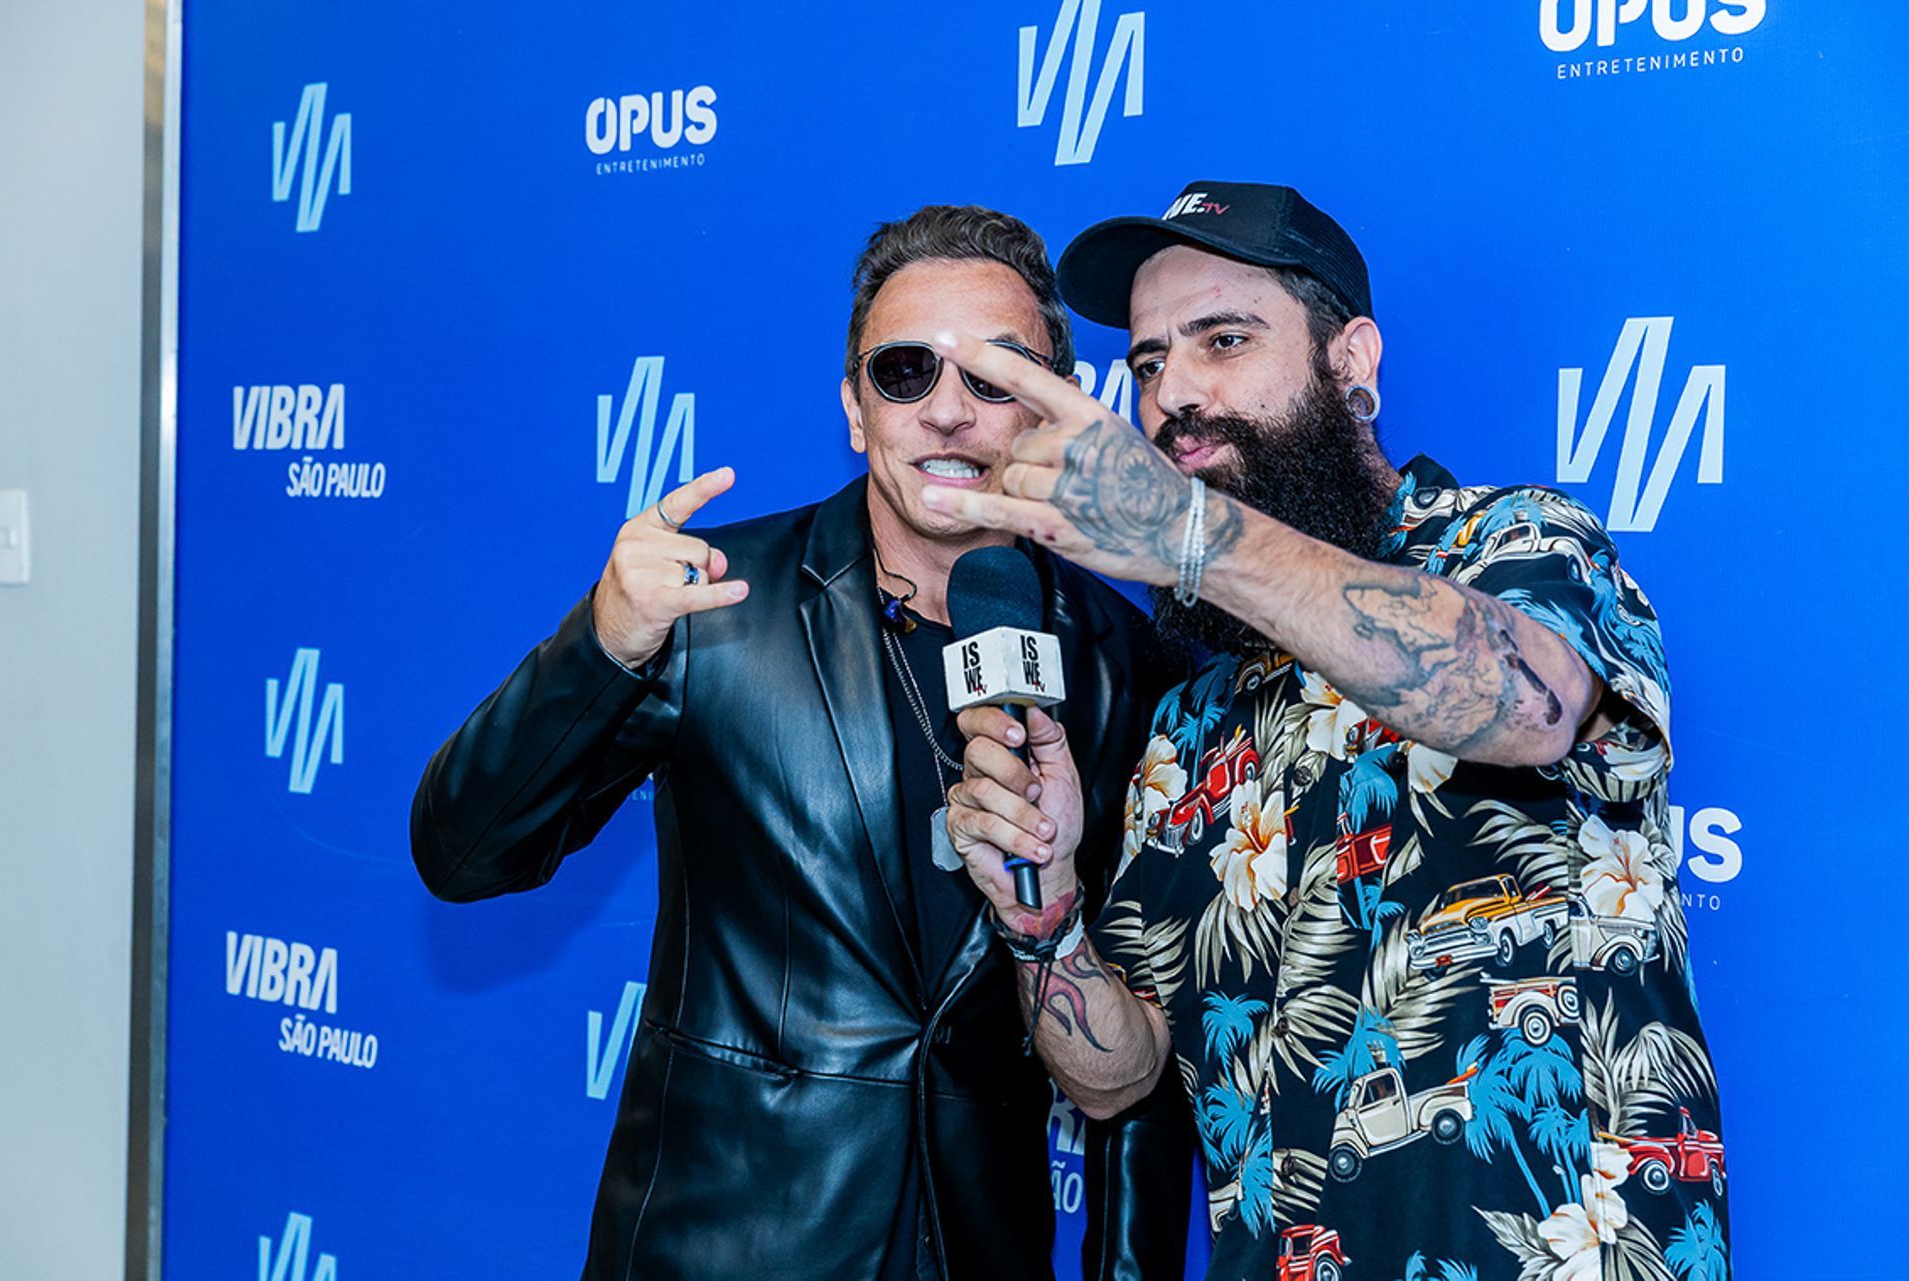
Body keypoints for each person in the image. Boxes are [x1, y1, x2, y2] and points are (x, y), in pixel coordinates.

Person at [933, 182, 1728, 1281]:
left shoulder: (1517, 548)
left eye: (1225, 340)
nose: (1174, 397)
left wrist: (1189, 534)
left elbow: (1524, 704)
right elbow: (1114, 1075)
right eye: (1151, 362)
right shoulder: (1192, 725)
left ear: (1353, 360)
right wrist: (1047, 909)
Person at [410, 204, 1190, 1281]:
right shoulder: (710, 603)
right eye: (905, 372)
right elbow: (463, 852)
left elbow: (1147, 1057)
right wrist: (602, 645)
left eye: (996, 374)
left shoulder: (1120, 656)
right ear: (856, 410)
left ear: (1057, 405)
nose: (949, 412)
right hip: (728, 1243)